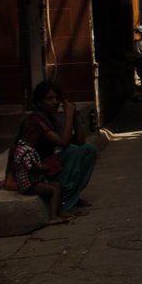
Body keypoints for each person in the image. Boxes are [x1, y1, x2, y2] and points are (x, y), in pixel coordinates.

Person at [26, 80, 97, 212]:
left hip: (50, 165)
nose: (55, 102)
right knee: (72, 151)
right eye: (49, 99)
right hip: (36, 169)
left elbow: (80, 142)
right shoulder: (36, 119)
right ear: (39, 102)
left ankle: (73, 195)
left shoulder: (51, 119)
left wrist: (74, 116)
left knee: (88, 150)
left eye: (56, 98)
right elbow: (64, 143)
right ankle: (65, 201)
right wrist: (68, 115)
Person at [7, 119, 73, 225]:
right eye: (36, 136)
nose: (37, 139)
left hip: (34, 181)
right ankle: (53, 216)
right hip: (29, 184)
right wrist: (43, 167)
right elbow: (30, 167)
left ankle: (59, 211)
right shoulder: (24, 150)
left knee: (57, 185)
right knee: (54, 190)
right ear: (30, 135)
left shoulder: (25, 148)